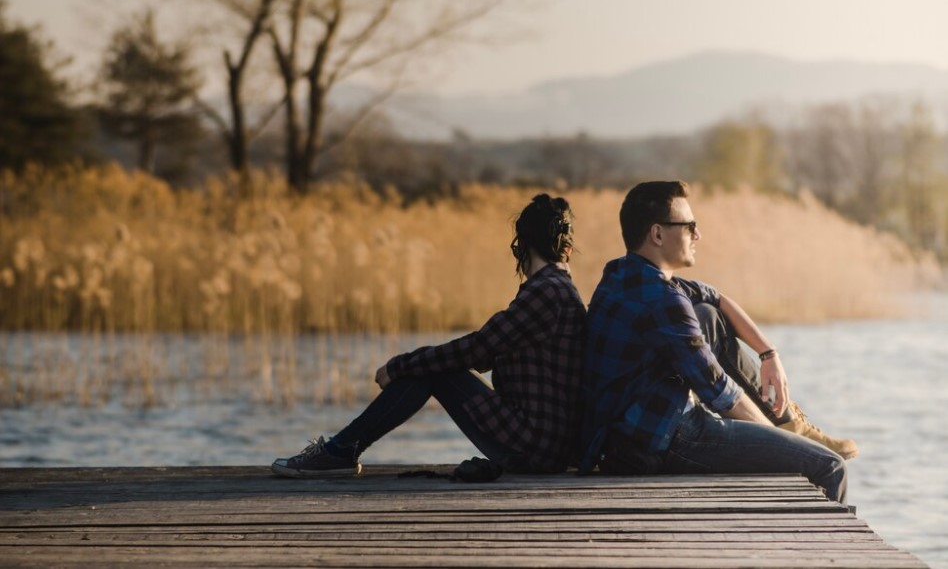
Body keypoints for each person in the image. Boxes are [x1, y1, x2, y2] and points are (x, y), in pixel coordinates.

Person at [272, 194, 586, 477]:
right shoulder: (558, 290)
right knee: (430, 365)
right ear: (566, 249)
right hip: (546, 446)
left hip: (533, 448)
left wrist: (400, 366)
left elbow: (476, 350)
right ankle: (341, 450)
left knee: (432, 370)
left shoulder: (545, 293)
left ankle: (340, 450)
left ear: (522, 246)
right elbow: (489, 352)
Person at [579, 181, 852, 504]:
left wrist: (769, 354)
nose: (698, 235)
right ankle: (817, 548)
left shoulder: (620, 273)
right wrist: (780, 443)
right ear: (657, 234)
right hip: (666, 439)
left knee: (708, 313)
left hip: (626, 431)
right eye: (689, 226)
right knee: (829, 466)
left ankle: (787, 420)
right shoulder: (663, 300)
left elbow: (715, 298)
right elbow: (722, 394)